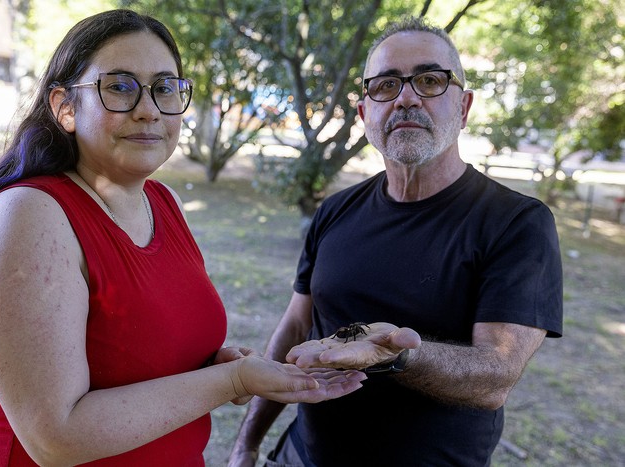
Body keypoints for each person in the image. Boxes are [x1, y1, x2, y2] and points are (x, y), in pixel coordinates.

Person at [0, 9, 367, 466]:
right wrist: (232, 381)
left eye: (164, 87)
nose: (149, 109)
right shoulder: (28, 215)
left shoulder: (163, 203)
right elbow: (56, 438)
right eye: (119, 86)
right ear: (65, 107)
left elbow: (141, 353)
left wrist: (214, 367)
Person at [228, 15, 563, 467]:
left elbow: (495, 378)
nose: (406, 98)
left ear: (463, 108)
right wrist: (247, 443)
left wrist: (394, 356)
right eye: (385, 86)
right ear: (366, 114)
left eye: (429, 80)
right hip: (300, 456)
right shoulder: (336, 210)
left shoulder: (516, 223)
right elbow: (293, 328)